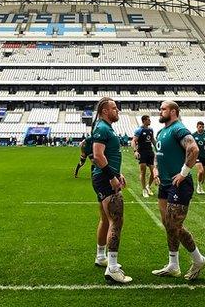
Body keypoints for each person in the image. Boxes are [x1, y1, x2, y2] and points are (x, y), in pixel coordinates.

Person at [150, 100, 205, 281]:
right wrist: (156, 168)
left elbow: (193, 148)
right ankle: (173, 265)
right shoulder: (161, 131)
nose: (160, 111)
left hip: (179, 185)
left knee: (175, 225)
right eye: (160, 109)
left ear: (174, 111)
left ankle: (198, 259)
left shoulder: (178, 129)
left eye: (164, 109)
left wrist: (183, 173)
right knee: (168, 225)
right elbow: (158, 154)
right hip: (165, 184)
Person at [89, 97, 131, 284]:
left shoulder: (105, 127)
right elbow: (97, 155)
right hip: (106, 180)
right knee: (117, 220)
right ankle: (112, 268)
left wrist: (117, 173)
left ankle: (101, 256)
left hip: (105, 177)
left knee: (106, 219)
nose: (118, 111)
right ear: (105, 111)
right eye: (114, 108)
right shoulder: (102, 128)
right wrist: (112, 177)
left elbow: (107, 155)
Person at [132, 115, 156, 197]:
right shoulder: (139, 130)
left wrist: (158, 148)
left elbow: (152, 140)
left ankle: (148, 186)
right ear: (144, 121)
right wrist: (135, 151)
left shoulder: (151, 130)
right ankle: (144, 190)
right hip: (142, 153)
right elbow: (133, 141)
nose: (150, 121)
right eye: (148, 120)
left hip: (150, 152)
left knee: (154, 172)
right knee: (143, 171)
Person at [191, 121, 205, 195]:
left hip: (204, 156)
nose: (201, 128)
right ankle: (198, 186)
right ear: (197, 127)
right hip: (196, 156)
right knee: (201, 171)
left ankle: (200, 185)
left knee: (203, 173)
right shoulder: (193, 135)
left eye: (202, 127)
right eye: (200, 127)